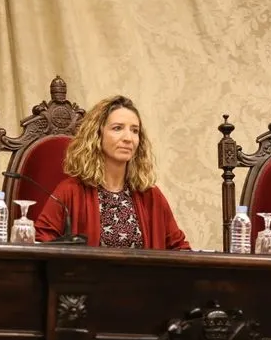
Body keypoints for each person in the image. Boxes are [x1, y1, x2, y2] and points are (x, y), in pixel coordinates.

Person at [35, 95, 190, 250]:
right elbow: (41, 241)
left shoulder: (151, 196)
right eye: (117, 128)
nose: (128, 138)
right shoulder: (70, 191)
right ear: (97, 135)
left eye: (135, 131)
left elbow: (180, 249)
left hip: (142, 275)